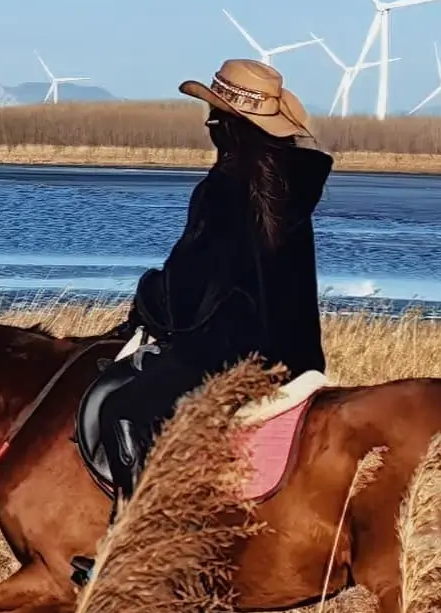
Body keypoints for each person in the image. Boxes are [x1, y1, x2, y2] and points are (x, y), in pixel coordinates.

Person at [97, 57, 332, 501]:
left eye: (214, 114)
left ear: (228, 125)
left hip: (230, 354)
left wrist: (148, 298)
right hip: (298, 356)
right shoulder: (288, 185)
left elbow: (189, 290)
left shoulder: (227, 187)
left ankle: (137, 524)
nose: (209, 123)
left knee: (122, 411)